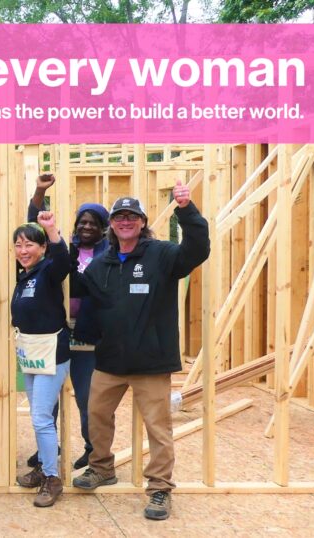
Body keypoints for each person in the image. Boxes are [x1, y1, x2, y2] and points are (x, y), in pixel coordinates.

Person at [72, 181, 210, 521]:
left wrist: (187, 210)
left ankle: (160, 487)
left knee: (157, 427)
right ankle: (102, 468)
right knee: (97, 416)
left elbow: (197, 250)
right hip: (110, 360)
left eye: (132, 216)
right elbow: (82, 297)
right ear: (112, 225)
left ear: (143, 222)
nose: (126, 221)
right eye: (120, 217)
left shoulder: (161, 255)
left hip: (151, 361)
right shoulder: (100, 265)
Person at [28, 173, 110, 470]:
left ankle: (92, 449)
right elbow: (35, 223)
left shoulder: (110, 253)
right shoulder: (63, 247)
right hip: (58, 332)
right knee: (47, 400)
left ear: (104, 227)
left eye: (94, 223)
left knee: (87, 398)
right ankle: (47, 448)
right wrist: (40, 192)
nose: (87, 227)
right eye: (82, 222)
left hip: (89, 334)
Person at [9, 211, 71, 508]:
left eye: (30, 245)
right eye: (18, 245)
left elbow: (64, 263)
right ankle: (45, 467)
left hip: (51, 354)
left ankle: (52, 478)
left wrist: (52, 230)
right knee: (40, 416)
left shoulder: (48, 269)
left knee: (41, 417)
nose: (23, 251)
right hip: (31, 353)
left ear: (43, 248)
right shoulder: (24, 275)